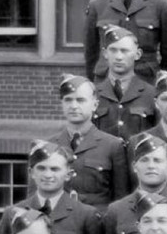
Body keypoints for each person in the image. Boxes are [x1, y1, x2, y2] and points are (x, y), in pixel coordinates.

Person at [53, 74, 130, 208]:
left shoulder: (112, 146)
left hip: (98, 225)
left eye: (80, 100)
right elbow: (36, 201)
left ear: (94, 105)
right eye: (68, 100)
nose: (73, 106)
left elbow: (121, 201)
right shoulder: (49, 146)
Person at [92, 25, 157, 141]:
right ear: (105, 53)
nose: (118, 57)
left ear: (137, 54)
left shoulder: (151, 95)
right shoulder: (92, 94)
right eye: (113, 50)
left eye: (124, 51)